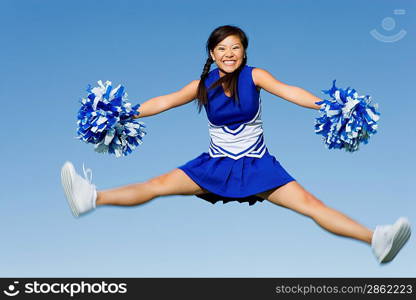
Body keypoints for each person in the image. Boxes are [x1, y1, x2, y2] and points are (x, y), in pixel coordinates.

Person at [61, 25, 411, 264]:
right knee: (156, 185)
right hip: (215, 165)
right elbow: (162, 101)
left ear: (244, 52)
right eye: (222, 48)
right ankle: (90, 198)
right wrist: (121, 114)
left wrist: (328, 106)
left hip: (257, 165)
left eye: (236, 47)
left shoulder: (256, 76)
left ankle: (375, 240)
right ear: (212, 54)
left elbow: (292, 92)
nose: (229, 53)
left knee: (310, 205)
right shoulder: (202, 85)